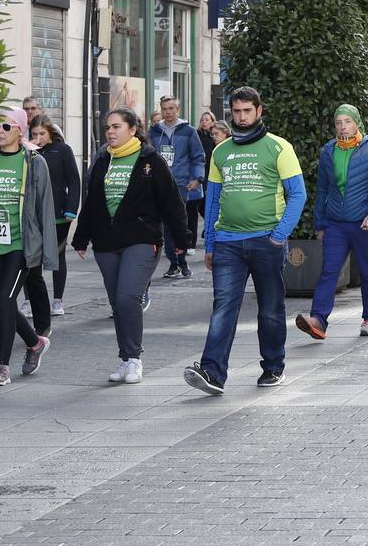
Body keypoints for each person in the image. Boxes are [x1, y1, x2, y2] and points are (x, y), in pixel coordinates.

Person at [184, 88, 307, 395]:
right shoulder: (221, 152)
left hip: (267, 241)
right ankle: (212, 372)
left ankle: (273, 366)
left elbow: (298, 194)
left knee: (270, 308)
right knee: (223, 306)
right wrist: (210, 244)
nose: (240, 117)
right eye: (235, 112)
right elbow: (212, 201)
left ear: (258, 111)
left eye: (246, 111)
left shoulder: (279, 147)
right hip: (227, 243)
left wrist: (279, 236)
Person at [73, 108, 189, 384]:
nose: (110, 132)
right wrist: (81, 237)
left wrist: (181, 239)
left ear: (132, 129)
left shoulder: (150, 160)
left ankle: (135, 359)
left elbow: (172, 201)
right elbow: (92, 202)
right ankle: (124, 358)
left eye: (116, 127)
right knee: (117, 302)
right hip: (106, 241)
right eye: (107, 128)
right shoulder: (102, 160)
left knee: (128, 298)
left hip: (142, 238)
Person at [0, 108, 57, 387]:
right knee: (0, 301)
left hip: (20, 245)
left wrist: (47, 253)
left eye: (7, 127)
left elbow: (45, 207)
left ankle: (1, 367)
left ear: (20, 131)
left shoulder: (33, 162)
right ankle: (35, 343)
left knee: (6, 300)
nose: (0, 131)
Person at [296, 105, 368, 341]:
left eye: (347, 122)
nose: (342, 126)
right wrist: (319, 224)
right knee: (328, 271)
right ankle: (318, 320)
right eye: (338, 122)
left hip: (363, 223)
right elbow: (322, 189)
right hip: (335, 224)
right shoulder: (328, 151)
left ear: (356, 123)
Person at [25, 115, 80, 321]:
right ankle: (29, 300)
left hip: (58, 213)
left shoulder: (62, 150)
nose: (38, 138)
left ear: (51, 133)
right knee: (30, 257)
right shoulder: (27, 152)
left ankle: (58, 300)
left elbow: (74, 181)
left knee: (57, 255)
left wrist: (71, 209)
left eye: (42, 134)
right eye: (34, 134)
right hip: (33, 214)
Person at [148, 97, 206, 280]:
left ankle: (182, 261)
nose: (168, 112)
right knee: (165, 226)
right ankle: (174, 262)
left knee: (179, 225)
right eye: (164, 108)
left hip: (181, 184)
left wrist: (197, 178)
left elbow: (198, 156)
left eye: (171, 108)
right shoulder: (154, 131)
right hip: (160, 184)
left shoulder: (188, 131)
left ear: (178, 110)